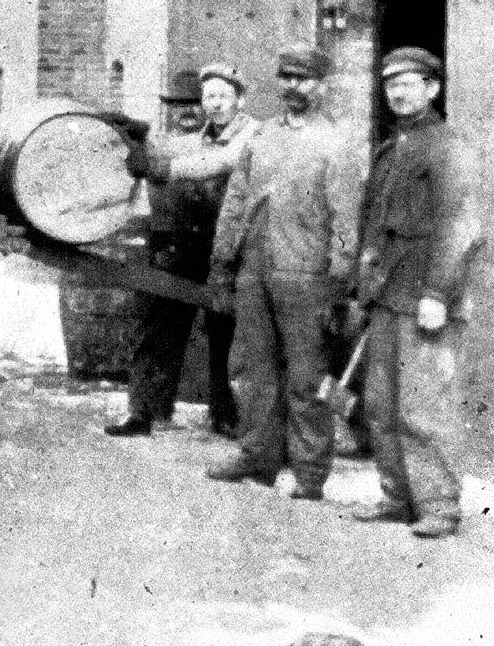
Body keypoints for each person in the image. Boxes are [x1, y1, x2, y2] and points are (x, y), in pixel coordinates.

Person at [204, 44, 361, 501]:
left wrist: (337, 283)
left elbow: (346, 219)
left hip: (306, 275)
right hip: (256, 271)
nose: (294, 87)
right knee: (251, 368)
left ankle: (310, 473)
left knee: (306, 376)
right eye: (286, 78)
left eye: (304, 79)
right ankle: (257, 454)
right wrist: (222, 261)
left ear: (323, 85)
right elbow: (235, 201)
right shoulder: (262, 136)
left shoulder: (336, 141)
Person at [351, 47, 482, 539]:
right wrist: (359, 288)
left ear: (433, 89)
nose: (398, 92)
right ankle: (398, 498)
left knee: (424, 406)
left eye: (409, 83)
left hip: (423, 300)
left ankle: (440, 506)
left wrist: (438, 294)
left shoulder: (447, 146)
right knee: (382, 405)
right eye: (392, 85)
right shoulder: (392, 148)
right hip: (387, 297)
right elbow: (374, 229)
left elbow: (461, 226)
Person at [109, 63, 256, 438]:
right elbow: (150, 152)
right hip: (175, 242)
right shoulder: (171, 138)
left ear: (239, 99)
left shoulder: (249, 135)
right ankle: (145, 410)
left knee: (225, 329)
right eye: (197, 101)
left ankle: (226, 415)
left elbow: (213, 163)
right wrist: (130, 135)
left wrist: (160, 167)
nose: (200, 108)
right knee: (155, 324)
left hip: (224, 244)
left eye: (212, 98)